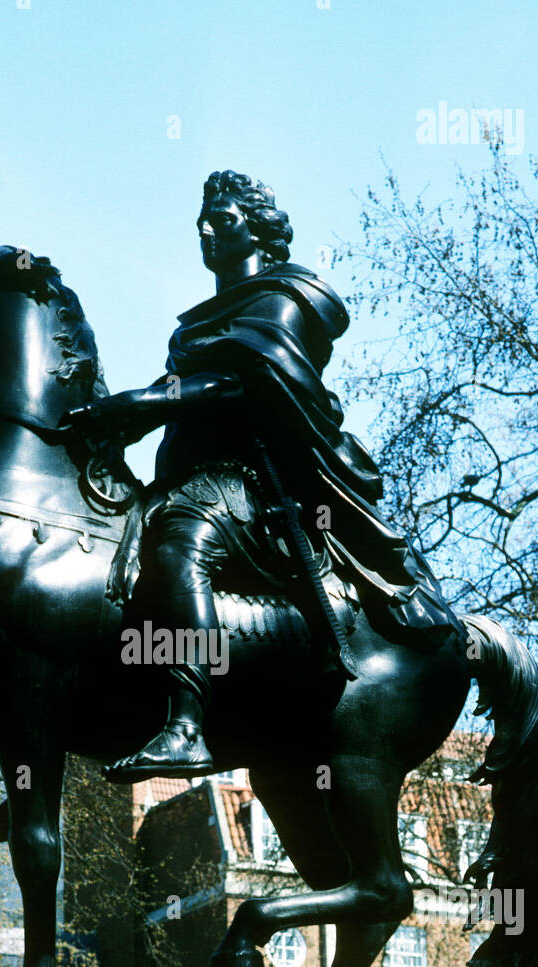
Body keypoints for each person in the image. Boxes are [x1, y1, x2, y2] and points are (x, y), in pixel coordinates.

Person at [64, 170, 458, 783]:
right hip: (192, 476)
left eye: (222, 218)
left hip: (257, 485)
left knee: (179, 540)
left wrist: (146, 402)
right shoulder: (192, 324)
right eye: (201, 220)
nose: (206, 229)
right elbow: (181, 403)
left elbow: (246, 383)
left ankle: (187, 727)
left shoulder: (285, 297)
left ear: (259, 227)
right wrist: (116, 422)